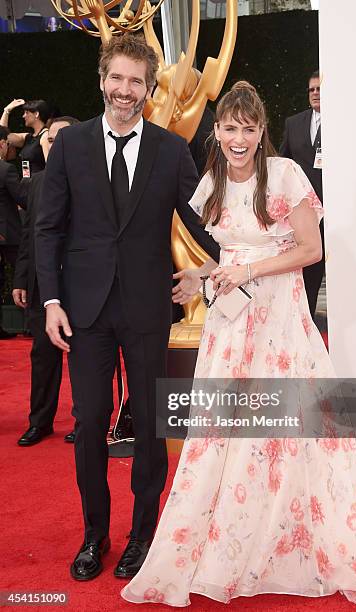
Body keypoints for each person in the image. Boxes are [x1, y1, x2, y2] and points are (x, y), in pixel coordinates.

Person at [121, 82, 356, 608]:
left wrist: (245, 270)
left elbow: (309, 248)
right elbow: (228, 251)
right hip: (230, 327)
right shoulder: (210, 182)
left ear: (261, 132)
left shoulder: (285, 175)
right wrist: (204, 274)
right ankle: (232, 540)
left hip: (280, 323)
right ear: (218, 130)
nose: (238, 138)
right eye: (230, 128)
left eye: (248, 129)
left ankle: (290, 539)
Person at [34, 33, 220, 582]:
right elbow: (49, 229)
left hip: (146, 308)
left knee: (150, 428)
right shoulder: (69, 146)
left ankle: (143, 533)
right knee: (89, 423)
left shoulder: (169, 149)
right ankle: (95, 535)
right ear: (102, 80)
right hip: (83, 311)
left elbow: (206, 222)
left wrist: (210, 273)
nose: (125, 89)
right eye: (116, 78)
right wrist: (49, 300)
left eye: (136, 81)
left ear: (148, 88)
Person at [13, 117, 78, 447]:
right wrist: (21, 278)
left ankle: (85, 419)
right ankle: (39, 422)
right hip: (42, 283)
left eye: (63, 139)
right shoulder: (35, 183)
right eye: (51, 140)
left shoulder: (93, 180)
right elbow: (30, 235)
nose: (56, 144)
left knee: (83, 356)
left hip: (82, 285)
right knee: (42, 355)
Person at [279, 70, 324, 319]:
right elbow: (283, 162)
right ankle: (306, 325)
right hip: (305, 216)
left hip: (339, 213)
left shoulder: (347, 123)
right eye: (312, 90)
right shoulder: (293, 123)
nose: (315, 93)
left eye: (320, 89)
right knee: (309, 278)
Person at [0, 126, 26, 339]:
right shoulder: (5, 169)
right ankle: (31, 322)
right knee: (23, 272)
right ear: (2, 144)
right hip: (8, 234)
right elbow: (22, 198)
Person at [1, 99, 50, 176]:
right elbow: (3, 135)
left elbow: (50, 165)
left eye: (26, 113)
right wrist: (6, 110)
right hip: (26, 183)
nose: (23, 116)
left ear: (36, 114)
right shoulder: (28, 137)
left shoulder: (45, 136)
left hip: (37, 184)